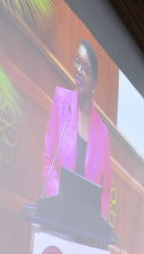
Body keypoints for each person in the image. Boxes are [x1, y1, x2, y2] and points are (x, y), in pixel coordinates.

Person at [43, 39, 113, 219]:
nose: (79, 71)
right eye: (77, 62)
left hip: (85, 222)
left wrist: (97, 218)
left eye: (86, 69)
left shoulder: (102, 133)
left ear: (94, 83)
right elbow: (48, 159)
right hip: (57, 211)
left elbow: (106, 188)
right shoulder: (61, 100)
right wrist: (57, 200)